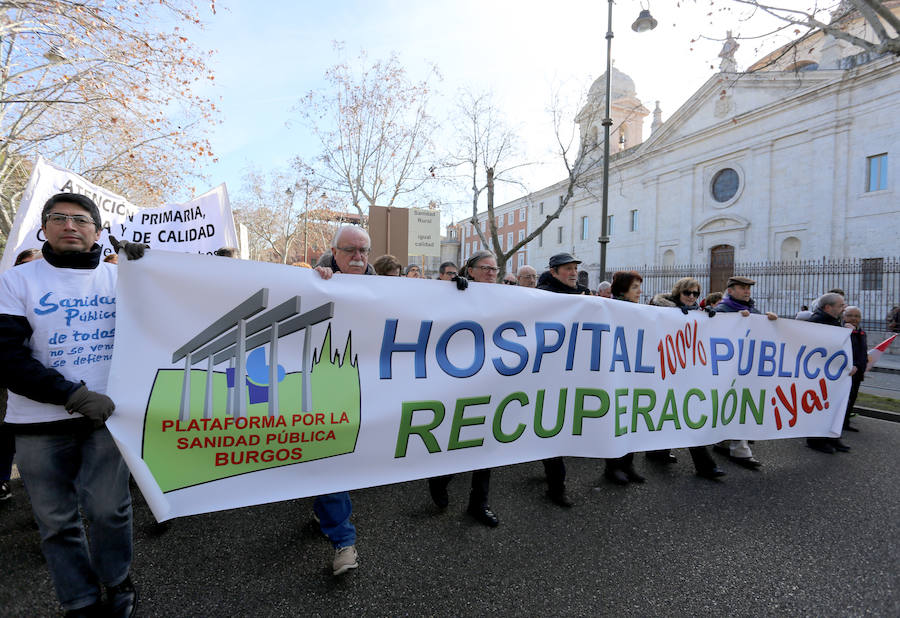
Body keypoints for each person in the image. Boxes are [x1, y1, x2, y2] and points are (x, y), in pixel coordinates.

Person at [0, 193, 145, 617]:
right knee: (56, 521)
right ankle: (79, 599)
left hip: (106, 420)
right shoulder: (16, 282)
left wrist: (153, 271)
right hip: (39, 423)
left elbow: (175, 315)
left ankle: (117, 580)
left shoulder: (123, 279)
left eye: (81, 220)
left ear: (98, 232)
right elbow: (6, 357)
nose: (70, 226)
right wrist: (73, 396)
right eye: (58, 218)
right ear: (43, 228)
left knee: (109, 510)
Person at [307, 225, 372, 575]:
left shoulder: (390, 290)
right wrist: (315, 284)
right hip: (328, 387)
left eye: (363, 250)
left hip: (374, 388)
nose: (358, 257)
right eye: (350, 250)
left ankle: (324, 509)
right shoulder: (317, 282)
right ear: (334, 251)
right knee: (330, 460)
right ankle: (344, 543)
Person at [427, 250, 501, 527]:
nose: (492, 273)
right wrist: (454, 290)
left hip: (493, 378)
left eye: (495, 269)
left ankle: (479, 503)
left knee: (486, 443)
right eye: (486, 268)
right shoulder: (454, 291)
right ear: (470, 270)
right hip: (460, 378)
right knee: (460, 437)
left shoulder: (507, 296)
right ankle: (440, 478)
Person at [647, 278, 726, 480]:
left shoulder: (698, 314)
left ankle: (662, 453)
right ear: (678, 293)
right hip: (664, 371)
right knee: (669, 412)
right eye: (687, 293)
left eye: (696, 294)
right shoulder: (661, 310)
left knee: (686, 415)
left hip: (686, 373)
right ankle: (700, 465)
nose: (692, 297)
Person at [532, 253, 593, 506]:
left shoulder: (584, 294)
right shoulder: (541, 295)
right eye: (567, 269)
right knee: (550, 427)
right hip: (546, 373)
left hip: (574, 371)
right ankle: (556, 487)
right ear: (554, 272)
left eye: (575, 269)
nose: (573, 273)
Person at [713, 276, 777, 469]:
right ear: (730, 290)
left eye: (748, 288)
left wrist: (770, 321)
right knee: (736, 406)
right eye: (742, 288)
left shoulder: (752, 309)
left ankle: (726, 443)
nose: (747, 291)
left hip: (748, 368)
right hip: (729, 368)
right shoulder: (722, 310)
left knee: (739, 405)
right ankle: (740, 451)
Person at [0, 249, 45, 502]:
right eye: (25, 265)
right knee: (6, 434)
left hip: (56, 394)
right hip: (17, 391)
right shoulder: (8, 294)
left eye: (37, 266)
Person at [603, 271, 647, 485]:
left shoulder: (642, 311)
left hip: (634, 374)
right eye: (635, 287)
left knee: (632, 420)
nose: (640, 291)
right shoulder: (608, 309)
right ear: (622, 290)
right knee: (615, 421)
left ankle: (628, 464)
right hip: (614, 373)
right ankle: (612, 467)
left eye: (639, 286)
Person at [806, 293, 854, 454]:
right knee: (819, 407)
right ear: (828, 307)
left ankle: (832, 437)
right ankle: (816, 440)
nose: (844, 308)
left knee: (834, 405)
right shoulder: (816, 322)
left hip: (832, 374)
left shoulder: (834, 321)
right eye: (840, 306)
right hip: (819, 374)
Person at [842, 306, 866, 433]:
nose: (853, 318)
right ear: (844, 317)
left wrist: (861, 365)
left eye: (857, 316)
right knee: (844, 400)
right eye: (850, 315)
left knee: (852, 399)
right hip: (847, 372)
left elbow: (861, 352)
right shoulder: (840, 330)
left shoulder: (861, 331)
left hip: (858, 373)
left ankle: (845, 423)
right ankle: (839, 424)